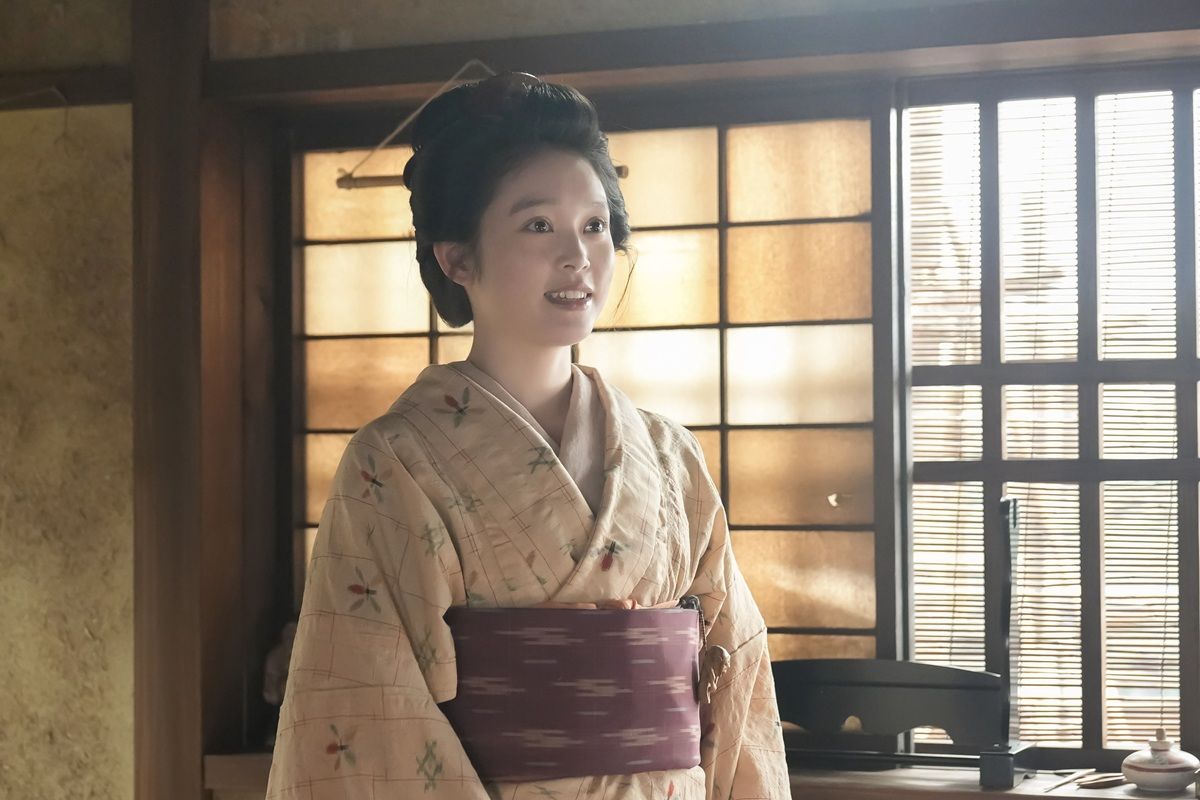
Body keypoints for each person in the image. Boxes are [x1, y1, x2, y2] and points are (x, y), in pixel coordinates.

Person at [265, 70, 789, 799]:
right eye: (539, 225)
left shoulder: (670, 455)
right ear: (457, 256)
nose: (578, 256)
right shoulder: (397, 461)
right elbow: (368, 702)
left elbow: (738, 676)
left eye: (595, 225)